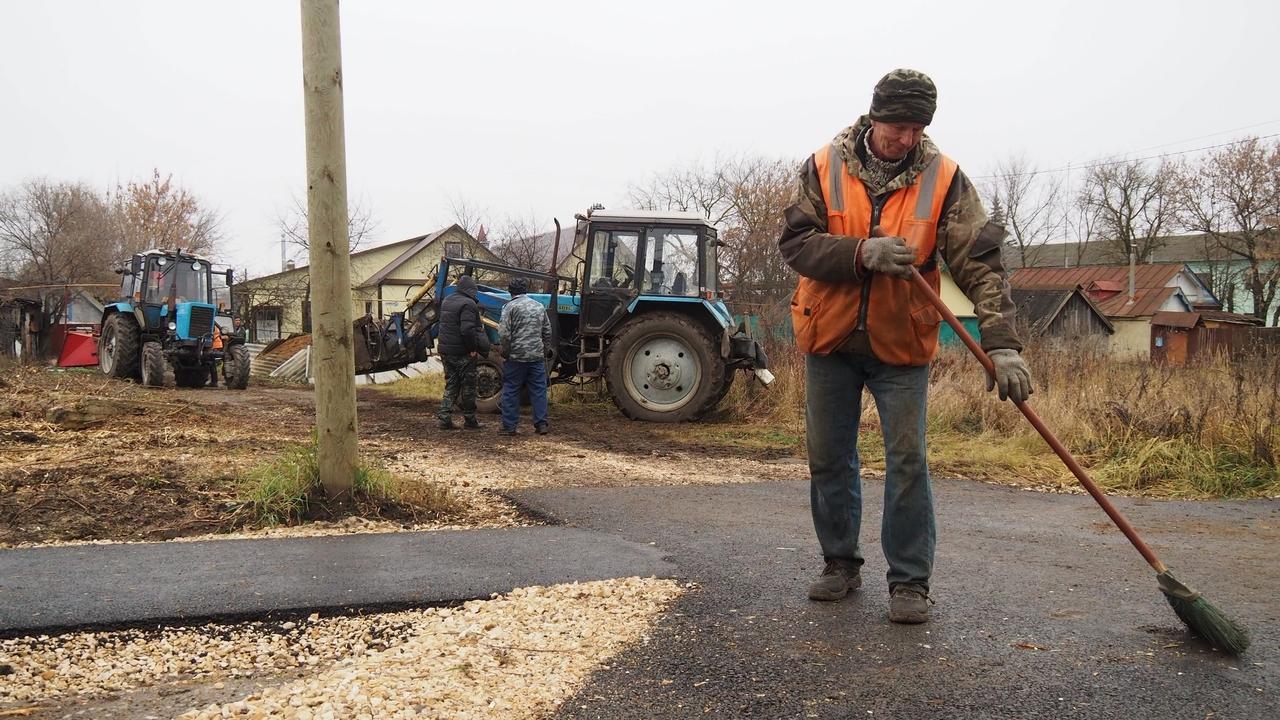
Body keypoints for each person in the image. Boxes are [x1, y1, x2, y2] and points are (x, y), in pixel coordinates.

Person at [778, 69, 1033, 624]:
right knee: (828, 459)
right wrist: (861, 253)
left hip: (902, 343)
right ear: (873, 118)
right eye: (897, 126)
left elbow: (981, 265)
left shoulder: (946, 179)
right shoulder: (823, 166)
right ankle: (840, 564)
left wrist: (1003, 345)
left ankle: (910, 582)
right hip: (829, 337)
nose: (906, 139)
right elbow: (796, 245)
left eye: (917, 128)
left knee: (908, 462)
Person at [498, 276, 552, 436]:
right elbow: (547, 331)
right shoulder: (539, 306)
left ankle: (509, 426)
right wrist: (543, 351)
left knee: (511, 389)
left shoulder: (509, 307)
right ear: (525, 290)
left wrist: (505, 352)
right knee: (539, 390)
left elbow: (504, 334)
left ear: (510, 292)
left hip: (516, 357)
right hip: (536, 356)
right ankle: (541, 424)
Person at [436, 274, 490, 430]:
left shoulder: (447, 300)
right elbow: (467, 330)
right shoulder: (468, 304)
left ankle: (444, 417)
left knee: (451, 384)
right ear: (470, 290)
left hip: (445, 350)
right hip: (462, 352)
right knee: (468, 387)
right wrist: (473, 349)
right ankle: (470, 420)